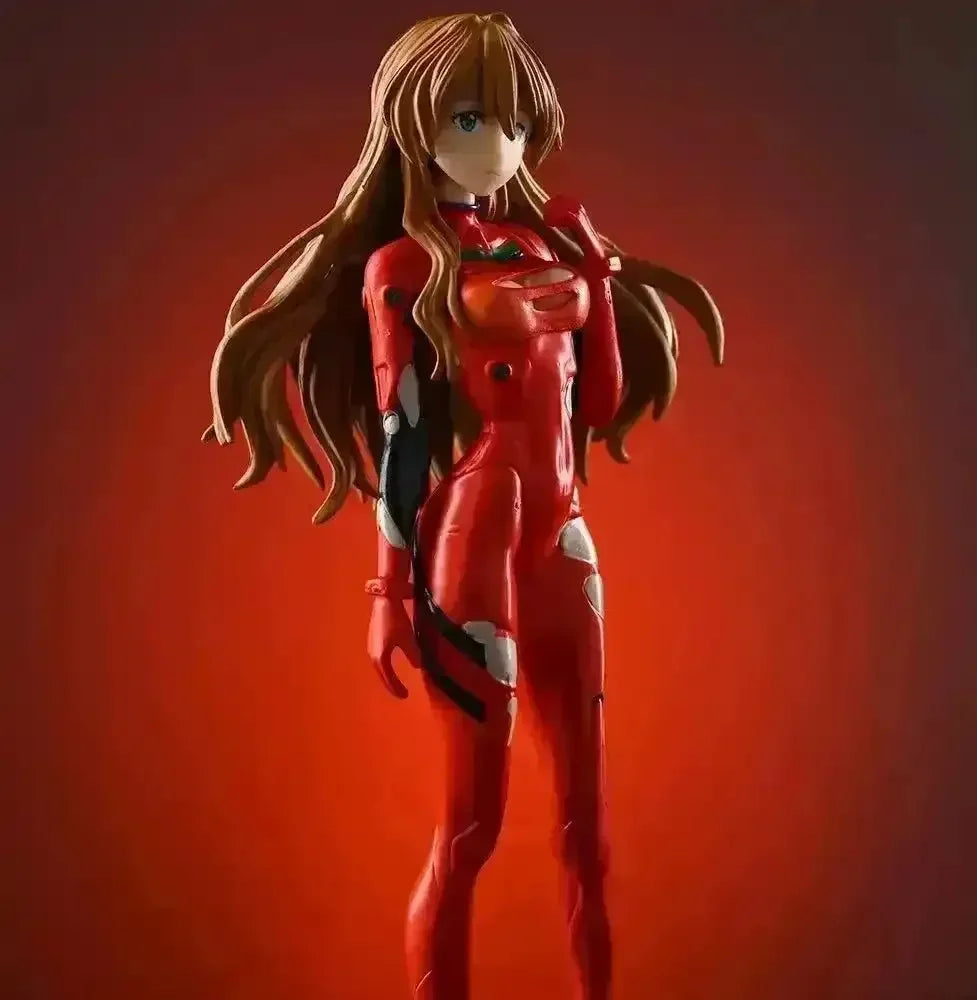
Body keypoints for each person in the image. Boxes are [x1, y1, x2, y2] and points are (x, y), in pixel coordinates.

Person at [204, 12, 723, 1000]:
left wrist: (596, 274)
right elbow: (402, 434)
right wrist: (387, 589)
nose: (500, 146)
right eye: (474, 118)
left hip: (564, 534)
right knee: (471, 827)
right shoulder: (402, 267)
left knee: (588, 832)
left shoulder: (541, 242)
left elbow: (597, 404)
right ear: (415, 123)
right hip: (472, 537)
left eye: (517, 124)